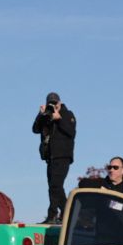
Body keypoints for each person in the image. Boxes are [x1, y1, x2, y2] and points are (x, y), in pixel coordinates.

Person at [34, 91, 78, 224]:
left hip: (63, 156)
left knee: (55, 186)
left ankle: (52, 214)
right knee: (55, 187)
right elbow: (35, 129)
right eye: (50, 103)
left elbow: (71, 132)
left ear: (59, 103)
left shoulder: (67, 114)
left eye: (54, 103)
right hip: (50, 157)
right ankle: (67, 213)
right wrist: (41, 115)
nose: (52, 105)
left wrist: (59, 119)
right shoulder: (46, 115)